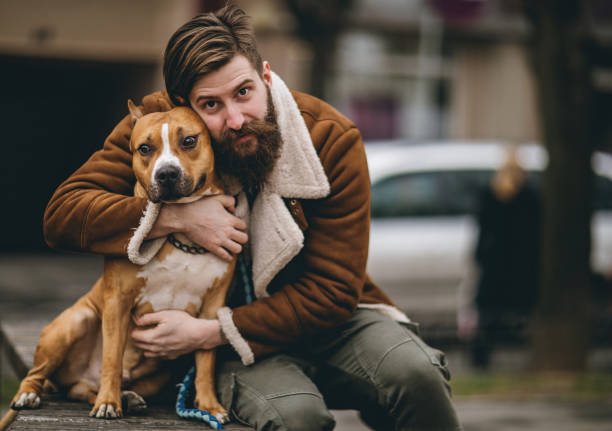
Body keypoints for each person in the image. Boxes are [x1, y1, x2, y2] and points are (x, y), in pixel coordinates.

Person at [43, 5, 461, 430]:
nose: (236, 118)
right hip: (234, 349)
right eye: (212, 104)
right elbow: (63, 214)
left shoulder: (330, 138)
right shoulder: (160, 126)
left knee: (416, 373)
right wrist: (174, 218)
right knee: (296, 416)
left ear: (265, 75)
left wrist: (209, 331)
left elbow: (334, 292)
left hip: (323, 321)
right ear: (184, 105)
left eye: (243, 92)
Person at [457, 145, 540, 369]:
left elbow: (483, 231)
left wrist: (479, 257)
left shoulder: (490, 194)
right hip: (522, 265)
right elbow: (535, 234)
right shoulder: (530, 196)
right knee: (525, 311)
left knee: (488, 314)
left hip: (494, 265)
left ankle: (480, 359)